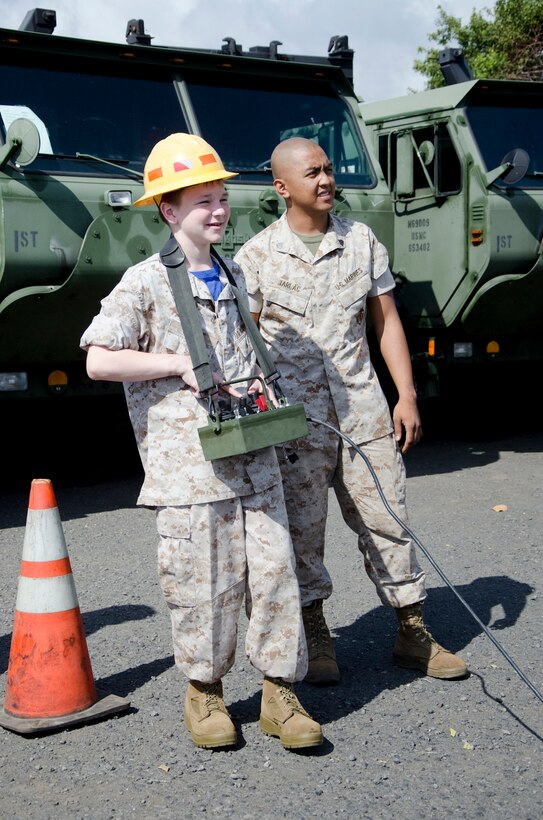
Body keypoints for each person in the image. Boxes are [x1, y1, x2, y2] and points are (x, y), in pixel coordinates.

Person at [80, 133, 323, 750]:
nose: (218, 211)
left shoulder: (233, 273)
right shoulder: (144, 283)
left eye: (220, 198)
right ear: (167, 210)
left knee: (275, 576)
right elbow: (99, 361)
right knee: (202, 584)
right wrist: (175, 362)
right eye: (201, 203)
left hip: (254, 456)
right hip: (189, 470)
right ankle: (205, 693)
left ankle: (279, 694)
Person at [234, 137, 468, 684]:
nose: (325, 180)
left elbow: (385, 321)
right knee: (302, 532)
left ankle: (413, 629)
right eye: (312, 172)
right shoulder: (257, 256)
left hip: (362, 409)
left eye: (329, 169)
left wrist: (405, 394)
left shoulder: (361, 241)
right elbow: (241, 341)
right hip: (295, 421)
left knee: (387, 520)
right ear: (281, 186)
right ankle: (316, 636)